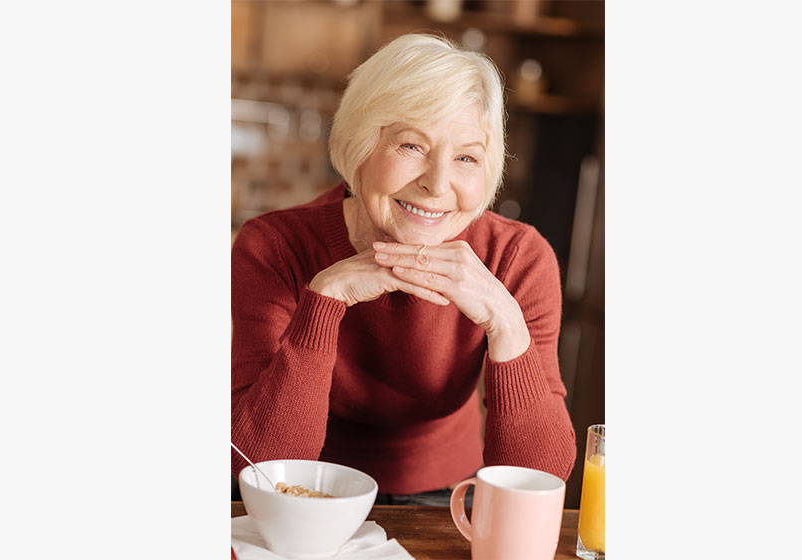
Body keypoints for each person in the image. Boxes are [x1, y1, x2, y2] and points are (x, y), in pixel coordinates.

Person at [231, 33, 576, 505]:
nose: (437, 184)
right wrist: (325, 299)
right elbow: (257, 465)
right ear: (358, 147)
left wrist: (506, 322)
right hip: (301, 494)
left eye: (466, 158)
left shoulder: (517, 257)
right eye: (412, 146)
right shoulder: (273, 247)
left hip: (449, 501)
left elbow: (539, 480)